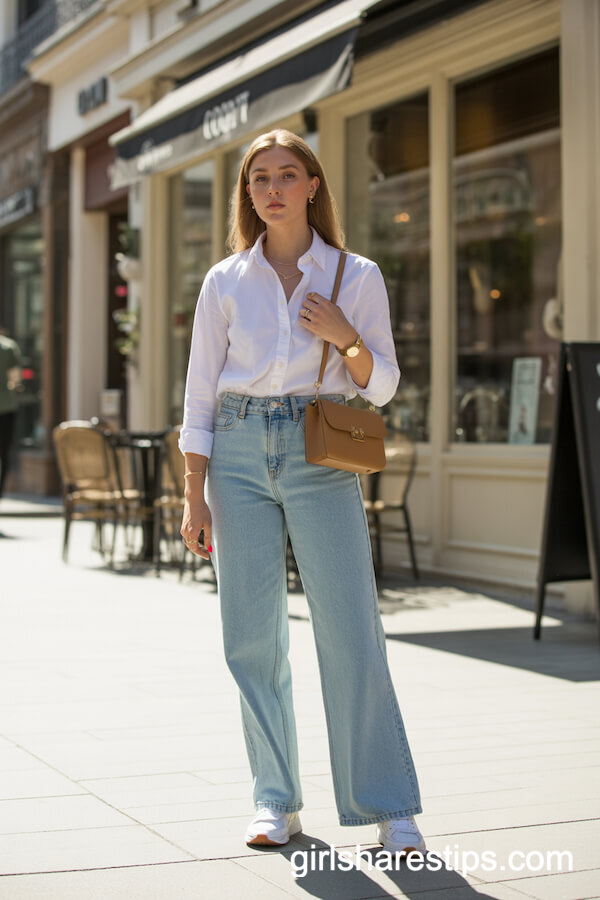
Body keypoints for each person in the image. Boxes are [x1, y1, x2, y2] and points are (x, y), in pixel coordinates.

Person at [179, 130, 424, 854]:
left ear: (313, 184)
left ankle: (387, 806)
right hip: (238, 453)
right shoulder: (225, 280)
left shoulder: (357, 274)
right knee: (251, 638)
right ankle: (274, 799)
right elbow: (198, 397)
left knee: (351, 630)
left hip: (320, 453)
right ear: (248, 193)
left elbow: (381, 384)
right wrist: (194, 493)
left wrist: (347, 336)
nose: (275, 188)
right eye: (261, 179)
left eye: (289, 175)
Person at [0, 324, 22, 498]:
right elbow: (15, 379)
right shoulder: (8, 347)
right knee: (4, 453)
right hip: (5, 406)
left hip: (6, 407)